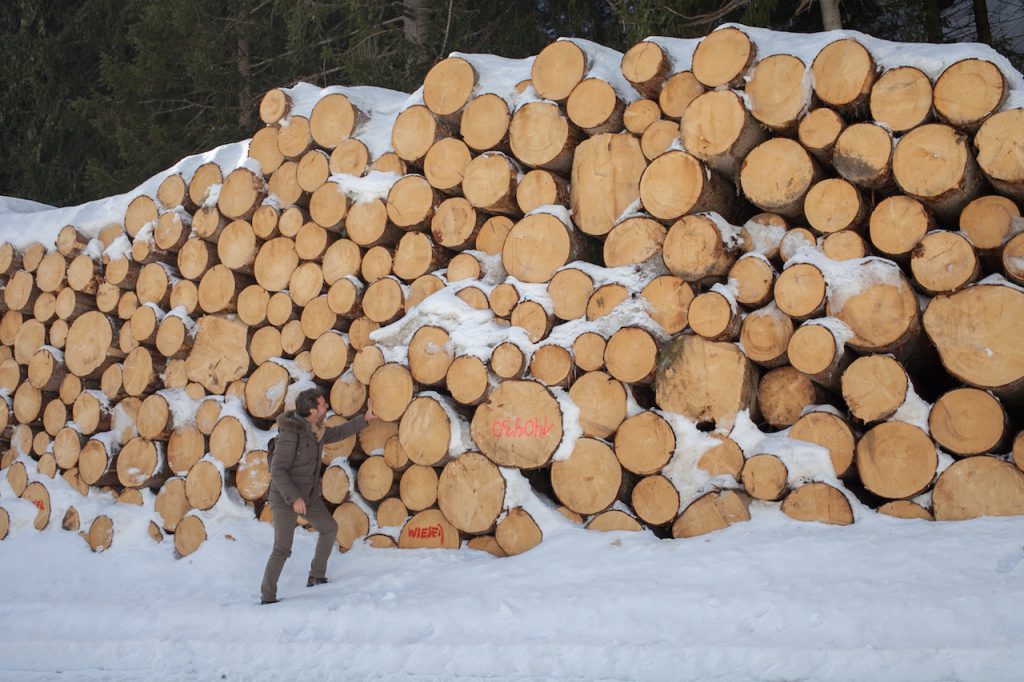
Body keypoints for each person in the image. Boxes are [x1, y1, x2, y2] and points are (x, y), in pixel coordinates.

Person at [260, 388, 376, 604]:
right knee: (283, 548)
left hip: (308, 496)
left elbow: (339, 433)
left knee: (329, 528)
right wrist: (294, 498)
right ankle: (267, 596)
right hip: (285, 498)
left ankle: (316, 576)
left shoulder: (316, 429)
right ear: (313, 410)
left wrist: (365, 418)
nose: (326, 407)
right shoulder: (290, 434)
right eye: (323, 405)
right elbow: (277, 471)